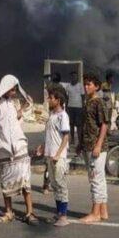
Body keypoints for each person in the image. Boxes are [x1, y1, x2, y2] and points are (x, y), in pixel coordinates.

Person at [0, 75, 39, 225]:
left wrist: (24, 107)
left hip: (19, 147)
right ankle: (9, 212)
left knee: (25, 182)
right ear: (5, 88)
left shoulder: (13, 104)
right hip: (4, 148)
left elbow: (14, 119)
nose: (14, 92)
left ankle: (29, 213)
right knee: (6, 182)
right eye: (12, 90)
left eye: (15, 90)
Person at [78, 73, 109, 223]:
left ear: (96, 86)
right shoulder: (87, 102)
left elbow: (104, 124)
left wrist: (98, 144)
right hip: (87, 145)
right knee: (99, 179)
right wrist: (79, 144)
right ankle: (103, 211)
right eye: (85, 84)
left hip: (96, 146)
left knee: (95, 179)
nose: (86, 86)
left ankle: (95, 213)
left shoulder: (99, 102)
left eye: (89, 84)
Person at [37, 86, 71, 227]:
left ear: (58, 100)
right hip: (50, 155)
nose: (48, 100)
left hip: (59, 157)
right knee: (55, 186)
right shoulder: (52, 116)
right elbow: (49, 135)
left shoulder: (63, 116)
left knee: (61, 186)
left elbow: (66, 137)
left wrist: (57, 154)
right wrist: (43, 146)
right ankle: (58, 214)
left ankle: (64, 216)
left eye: (51, 98)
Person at [64, 71, 83, 141]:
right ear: (71, 77)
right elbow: (66, 98)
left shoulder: (80, 86)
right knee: (71, 124)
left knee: (79, 125)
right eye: (73, 76)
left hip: (79, 108)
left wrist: (83, 107)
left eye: (75, 76)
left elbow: (83, 96)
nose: (74, 78)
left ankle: (80, 140)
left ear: (77, 77)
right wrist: (66, 107)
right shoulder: (68, 86)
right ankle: (72, 139)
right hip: (70, 107)